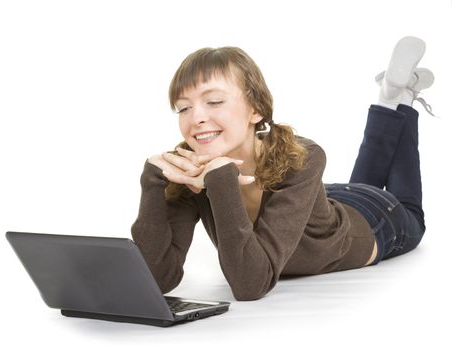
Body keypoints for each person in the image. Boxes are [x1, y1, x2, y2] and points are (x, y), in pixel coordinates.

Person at [131, 36, 434, 301]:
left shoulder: (302, 156)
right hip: (325, 202)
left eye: (213, 101)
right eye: (183, 107)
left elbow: (250, 284)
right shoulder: (189, 169)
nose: (195, 117)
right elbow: (158, 279)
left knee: (411, 213)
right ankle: (392, 98)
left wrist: (222, 181)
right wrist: (153, 186)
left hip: (375, 220)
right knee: (361, 182)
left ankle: (400, 100)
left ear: (256, 110)